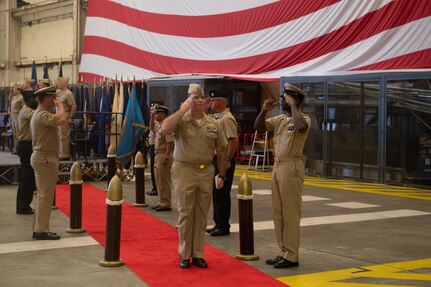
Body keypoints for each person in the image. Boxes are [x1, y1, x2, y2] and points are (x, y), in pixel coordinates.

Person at [161, 83, 227, 269]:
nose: (197, 100)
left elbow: (221, 151)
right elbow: (165, 128)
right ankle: (184, 253)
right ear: (187, 100)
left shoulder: (213, 123)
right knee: (185, 213)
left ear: (205, 100)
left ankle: (198, 254)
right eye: (193, 97)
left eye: (200, 97)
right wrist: (181, 110)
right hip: (184, 170)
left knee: (201, 214)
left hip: (206, 171)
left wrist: (221, 174)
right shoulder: (180, 121)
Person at [254, 83, 310, 268]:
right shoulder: (280, 119)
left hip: (291, 166)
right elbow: (259, 127)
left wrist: (294, 105)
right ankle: (283, 251)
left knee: (290, 213)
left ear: (294, 99)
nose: (282, 102)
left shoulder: (303, 119)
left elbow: (300, 126)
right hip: (277, 166)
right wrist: (264, 111)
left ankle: (292, 255)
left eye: (285, 99)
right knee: (278, 212)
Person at [31, 85, 68, 240]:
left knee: (43, 195)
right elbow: (62, 119)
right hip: (45, 158)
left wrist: (58, 107)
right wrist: (61, 106)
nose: (54, 101)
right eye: (52, 99)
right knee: (45, 195)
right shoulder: (41, 115)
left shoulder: (41, 114)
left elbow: (60, 120)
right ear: (46, 99)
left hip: (45, 157)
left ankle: (40, 228)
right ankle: (41, 230)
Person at [206, 90, 238, 236]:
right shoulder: (218, 117)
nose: (211, 102)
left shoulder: (227, 118)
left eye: (213, 100)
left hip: (223, 159)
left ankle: (223, 225)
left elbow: (233, 140)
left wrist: (227, 160)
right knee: (216, 192)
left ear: (222, 101)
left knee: (222, 192)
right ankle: (218, 222)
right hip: (216, 158)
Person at [16, 90, 38, 214]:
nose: (36, 101)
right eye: (34, 99)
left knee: (27, 177)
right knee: (26, 177)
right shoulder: (26, 111)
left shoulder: (27, 110)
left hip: (27, 145)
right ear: (28, 100)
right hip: (26, 145)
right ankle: (23, 206)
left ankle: (23, 205)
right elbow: (39, 115)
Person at [151, 104, 174, 212]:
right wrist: (151, 117)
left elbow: (170, 143)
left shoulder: (167, 126)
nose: (155, 115)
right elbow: (151, 128)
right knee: (159, 180)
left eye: (156, 113)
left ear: (162, 114)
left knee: (164, 180)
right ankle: (161, 201)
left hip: (163, 155)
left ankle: (166, 203)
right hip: (158, 155)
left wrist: (166, 157)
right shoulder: (160, 125)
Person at [56, 76, 76, 160]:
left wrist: (70, 116)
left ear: (65, 83)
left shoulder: (68, 93)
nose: (58, 84)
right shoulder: (60, 93)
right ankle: (60, 153)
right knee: (59, 136)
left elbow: (73, 106)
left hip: (65, 116)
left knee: (64, 136)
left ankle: (65, 155)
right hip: (59, 116)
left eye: (60, 83)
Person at [9, 84, 24, 153]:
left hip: (18, 116)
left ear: (19, 90)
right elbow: (9, 99)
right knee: (14, 134)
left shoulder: (21, 98)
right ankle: (15, 149)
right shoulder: (14, 97)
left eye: (15, 89)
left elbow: (23, 108)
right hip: (13, 116)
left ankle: (19, 149)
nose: (13, 90)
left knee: (18, 133)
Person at [146, 110, 158, 196]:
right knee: (153, 170)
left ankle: (157, 189)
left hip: (156, 147)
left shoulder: (160, 122)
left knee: (157, 171)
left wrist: (152, 117)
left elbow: (152, 128)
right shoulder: (154, 120)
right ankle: (155, 187)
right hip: (153, 145)